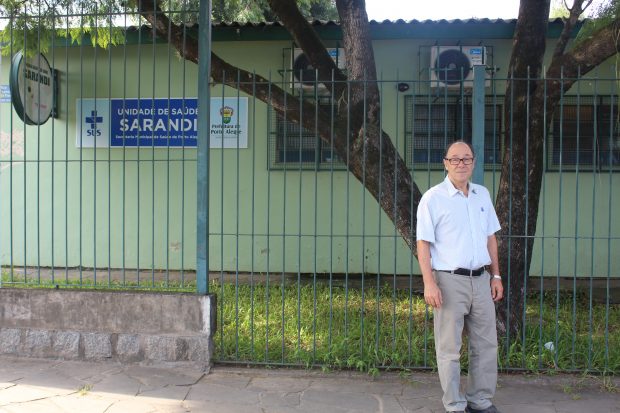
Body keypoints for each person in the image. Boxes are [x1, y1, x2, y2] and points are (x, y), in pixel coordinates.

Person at [416, 141, 503, 413]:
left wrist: (496, 275)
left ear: (474, 163)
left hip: (481, 280)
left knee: (486, 344)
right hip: (449, 281)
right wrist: (429, 282)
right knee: (449, 347)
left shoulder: (482, 195)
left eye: (466, 159)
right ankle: (455, 405)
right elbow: (423, 243)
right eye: (455, 159)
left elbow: (491, 238)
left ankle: (481, 401)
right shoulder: (432, 198)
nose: (461, 164)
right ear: (445, 163)